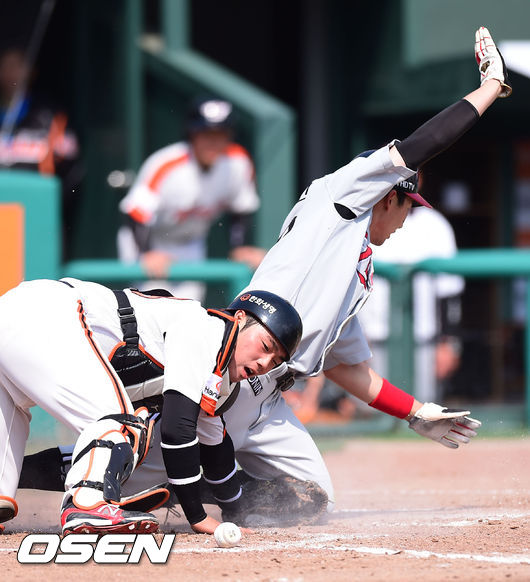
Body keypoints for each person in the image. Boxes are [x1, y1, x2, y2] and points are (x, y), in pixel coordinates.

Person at [20, 27, 510, 526]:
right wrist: (489, 89)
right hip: (238, 368)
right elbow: (421, 146)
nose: (408, 217)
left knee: (311, 500)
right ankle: (36, 476)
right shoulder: (338, 201)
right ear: (388, 196)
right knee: (145, 458)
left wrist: (415, 411)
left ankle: (220, 486)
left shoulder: (355, 269)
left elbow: (347, 368)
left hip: (271, 397)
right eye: (408, 204)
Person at [0, 280, 302, 535]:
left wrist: (237, 509)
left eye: (275, 361)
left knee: (14, 410)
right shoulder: (207, 329)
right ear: (239, 318)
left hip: (20, 315)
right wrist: (197, 516)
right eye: (265, 346)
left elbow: (215, 449)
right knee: (128, 425)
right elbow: (177, 430)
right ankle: (87, 504)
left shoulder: (217, 376)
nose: (265, 363)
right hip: (47, 314)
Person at [117, 96, 264, 301]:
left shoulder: (238, 162)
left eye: (220, 134)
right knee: (148, 306)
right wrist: (147, 253)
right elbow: (135, 213)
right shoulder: (167, 163)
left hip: (191, 240)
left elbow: (241, 208)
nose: (213, 142)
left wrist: (240, 247)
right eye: (206, 134)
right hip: (147, 240)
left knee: (189, 307)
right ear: (192, 134)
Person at [358, 204, 465, 404]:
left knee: (421, 409)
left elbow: (449, 291)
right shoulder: (360, 216)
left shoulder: (434, 224)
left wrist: (449, 343)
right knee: (368, 411)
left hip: (422, 341)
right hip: (370, 340)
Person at [0, 45, 81, 258]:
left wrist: (49, 203)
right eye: (6, 66)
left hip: (37, 215)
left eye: (19, 66)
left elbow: (70, 172)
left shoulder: (50, 115)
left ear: (31, 70)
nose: (12, 73)